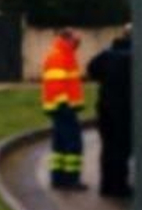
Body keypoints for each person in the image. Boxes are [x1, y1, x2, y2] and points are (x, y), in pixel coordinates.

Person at [86, 26, 133, 198]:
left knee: (108, 148)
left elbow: (91, 70)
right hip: (127, 109)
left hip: (106, 107)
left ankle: (106, 185)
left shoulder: (106, 55)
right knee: (123, 149)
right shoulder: (136, 56)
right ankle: (119, 186)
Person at [41, 28, 85, 190]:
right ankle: (71, 180)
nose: (78, 44)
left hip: (61, 107)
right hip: (63, 108)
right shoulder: (59, 56)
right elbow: (56, 85)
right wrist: (65, 105)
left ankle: (58, 178)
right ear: (67, 39)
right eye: (76, 40)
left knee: (59, 145)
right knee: (73, 144)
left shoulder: (64, 54)